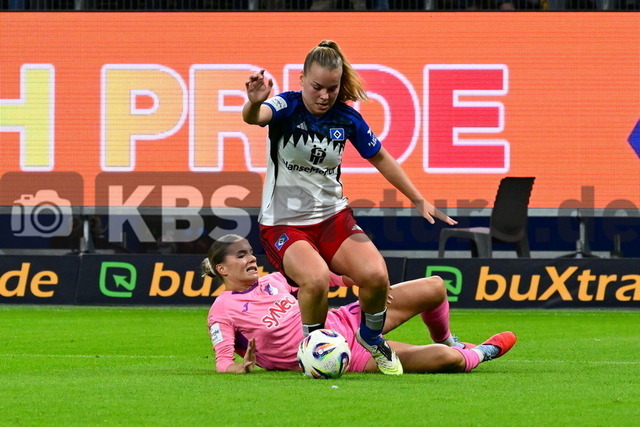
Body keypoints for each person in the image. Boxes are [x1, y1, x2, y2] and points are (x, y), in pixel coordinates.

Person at [242, 40, 458, 376]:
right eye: (317, 87)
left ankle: (371, 338)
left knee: (376, 276)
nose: (324, 96)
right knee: (315, 280)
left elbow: (380, 157)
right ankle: (313, 346)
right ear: (302, 80)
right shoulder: (286, 106)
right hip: (284, 224)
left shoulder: (346, 118)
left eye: (332, 88)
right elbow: (256, 116)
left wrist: (417, 198)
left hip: (333, 219)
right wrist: (254, 103)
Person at [203, 235, 517, 374]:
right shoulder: (222, 311)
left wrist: (352, 280)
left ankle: (450, 339)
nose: (251, 258)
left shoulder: (274, 280)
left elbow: (317, 280)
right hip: (340, 353)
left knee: (434, 287)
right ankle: (481, 353)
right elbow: (222, 361)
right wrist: (239, 368)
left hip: (346, 320)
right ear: (222, 269)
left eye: (250, 252)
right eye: (241, 255)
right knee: (448, 361)